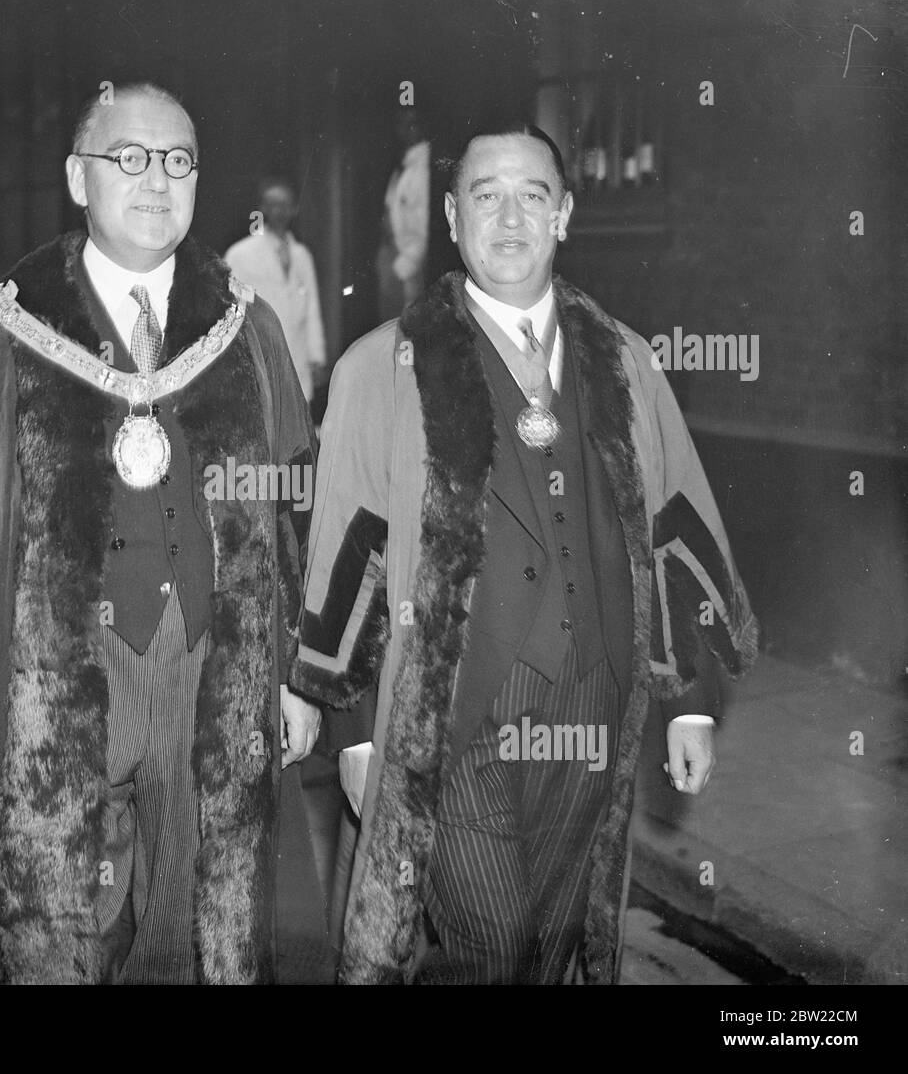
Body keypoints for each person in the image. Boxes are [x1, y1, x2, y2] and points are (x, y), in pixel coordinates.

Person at [0, 82, 322, 984]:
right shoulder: (1, 336)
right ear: (77, 176)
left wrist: (299, 672)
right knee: (56, 926)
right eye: (128, 158)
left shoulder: (245, 330)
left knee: (195, 926)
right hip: (52, 683)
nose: (155, 181)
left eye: (177, 161)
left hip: (209, 677)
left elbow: (294, 503)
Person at [291, 121, 758, 984]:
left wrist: (687, 701)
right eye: (486, 196)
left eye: (532, 196)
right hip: (457, 709)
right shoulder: (380, 369)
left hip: (596, 696)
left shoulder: (625, 363)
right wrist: (357, 735)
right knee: (489, 943)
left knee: (552, 947)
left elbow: (673, 522)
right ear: (452, 216)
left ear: (565, 215)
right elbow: (345, 557)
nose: (509, 219)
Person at [225, 177, 327, 406]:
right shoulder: (241, 254)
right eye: (272, 204)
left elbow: (312, 308)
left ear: (294, 209)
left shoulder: (302, 255)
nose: (279, 211)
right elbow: (229, 310)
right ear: (262, 208)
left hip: (296, 357)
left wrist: (316, 355)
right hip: (258, 357)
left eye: (285, 205)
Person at [375, 106, 431, 321]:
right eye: (401, 125)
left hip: (407, 267)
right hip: (391, 258)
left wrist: (405, 268)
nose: (406, 131)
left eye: (412, 124)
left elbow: (423, 226)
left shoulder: (422, 171)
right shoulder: (403, 167)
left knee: (405, 332)